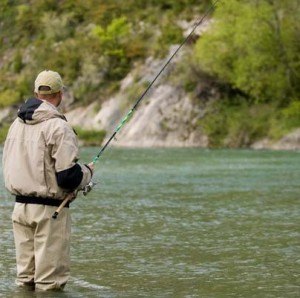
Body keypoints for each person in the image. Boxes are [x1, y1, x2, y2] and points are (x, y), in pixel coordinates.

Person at [2, 70, 94, 291]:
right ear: (60, 93)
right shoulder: (59, 127)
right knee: (48, 284)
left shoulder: (16, 124)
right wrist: (87, 173)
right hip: (49, 213)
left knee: (25, 280)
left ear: (36, 92)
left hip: (20, 209)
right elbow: (67, 178)